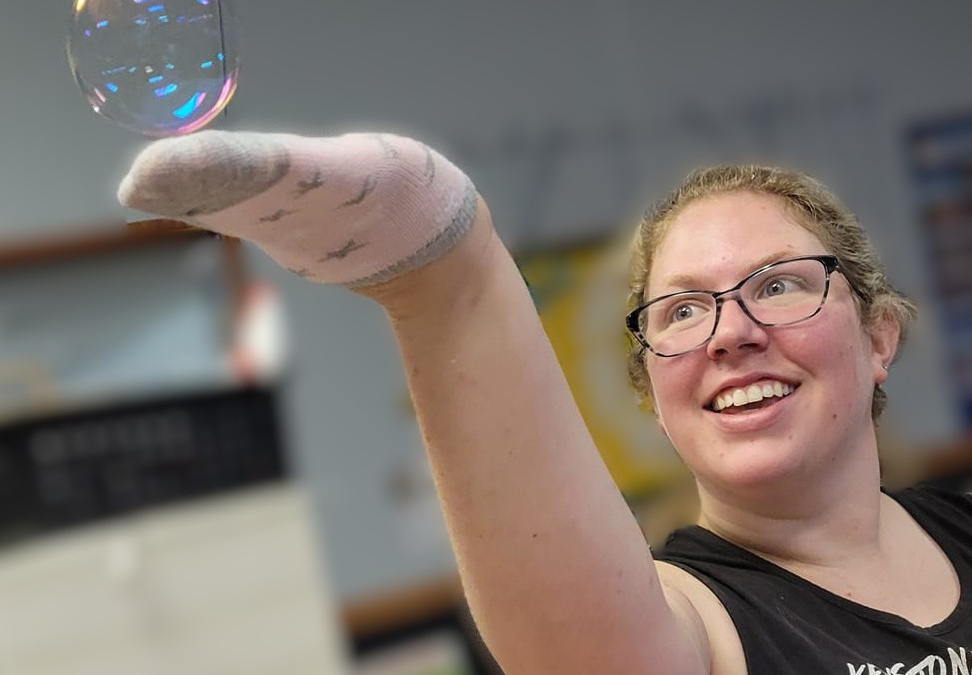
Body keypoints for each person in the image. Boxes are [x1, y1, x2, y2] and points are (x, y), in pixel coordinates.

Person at [117, 128, 972, 675]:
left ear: (879, 338)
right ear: (654, 394)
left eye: (780, 285)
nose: (729, 332)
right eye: (680, 310)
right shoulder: (696, 624)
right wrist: (442, 274)